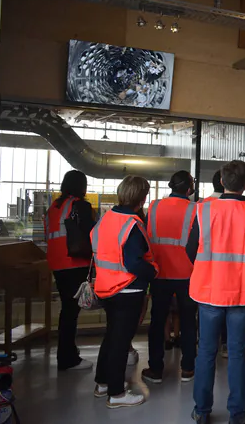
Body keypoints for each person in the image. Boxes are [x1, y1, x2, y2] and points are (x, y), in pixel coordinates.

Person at [186, 160, 245, 424]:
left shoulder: (203, 210)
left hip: (208, 293)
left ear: (222, 181)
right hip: (241, 293)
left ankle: (201, 411)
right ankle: (237, 412)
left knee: (206, 352)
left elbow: (191, 250)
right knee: (236, 353)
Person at [93, 175, 158, 409]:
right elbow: (133, 262)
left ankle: (102, 383)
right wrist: (153, 272)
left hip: (106, 287)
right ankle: (117, 394)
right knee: (120, 342)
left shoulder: (107, 218)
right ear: (141, 198)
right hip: (127, 290)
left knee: (111, 337)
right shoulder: (132, 224)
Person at [142, 171, 198, 385]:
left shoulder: (154, 207)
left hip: (159, 273)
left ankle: (156, 369)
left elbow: (147, 238)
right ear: (189, 188)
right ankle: (188, 368)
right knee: (188, 320)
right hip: (187, 274)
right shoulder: (195, 209)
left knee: (157, 320)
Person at [43, 170, 96, 371]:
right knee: (71, 312)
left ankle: (67, 354)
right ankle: (68, 358)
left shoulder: (54, 208)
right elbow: (92, 233)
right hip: (75, 264)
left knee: (67, 311)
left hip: (57, 264)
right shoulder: (79, 206)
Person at [202, 169, 228, 358]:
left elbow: (193, 243)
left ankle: (209, 345)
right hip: (234, 273)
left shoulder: (203, 206)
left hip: (207, 274)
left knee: (209, 313)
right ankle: (226, 344)